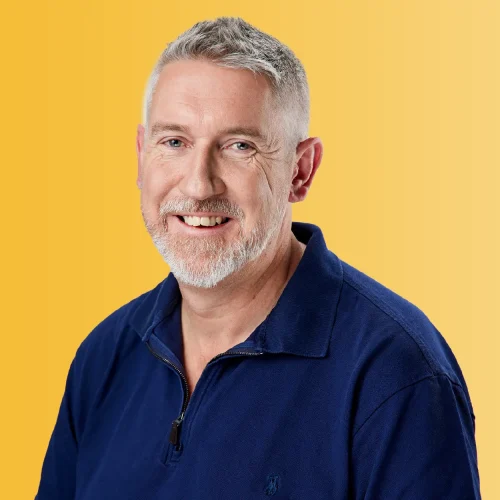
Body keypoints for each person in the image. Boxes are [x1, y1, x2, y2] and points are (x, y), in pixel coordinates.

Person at [36, 16, 481, 499]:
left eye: (239, 146)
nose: (198, 184)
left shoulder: (395, 374)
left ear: (300, 171)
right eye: (175, 142)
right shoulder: (104, 357)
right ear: (142, 155)